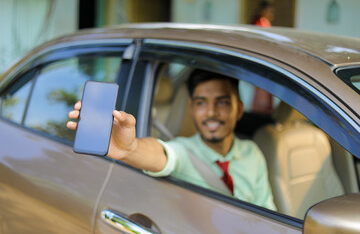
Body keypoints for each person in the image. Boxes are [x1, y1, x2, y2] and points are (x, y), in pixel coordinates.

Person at [67, 69, 276, 210]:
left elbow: (267, 214)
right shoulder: (183, 150)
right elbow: (161, 154)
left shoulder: (252, 152)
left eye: (221, 103)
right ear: (192, 108)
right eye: (201, 103)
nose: (211, 112)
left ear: (238, 108)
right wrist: (130, 149)